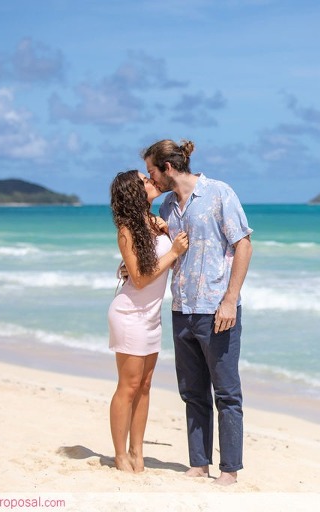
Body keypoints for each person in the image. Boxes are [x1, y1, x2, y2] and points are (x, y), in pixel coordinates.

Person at [143, 138, 253, 486]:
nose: (151, 180)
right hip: (181, 307)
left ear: (168, 169)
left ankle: (230, 470)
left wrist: (230, 299)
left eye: (151, 172)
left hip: (216, 308)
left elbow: (243, 245)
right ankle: (198, 463)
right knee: (192, 391)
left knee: (226, 392)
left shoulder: (219, 193)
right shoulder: (167, 209)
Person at [107, 170, 189, 473]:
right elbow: (140, 279)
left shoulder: (155, 223)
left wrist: (168, 236)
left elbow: (140, 267)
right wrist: (174, 252)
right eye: (144, 180)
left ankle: (137, 453)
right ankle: (119, 456)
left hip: (151, 316)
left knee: (144, 386)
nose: (151, 181)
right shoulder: (127, 229)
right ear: (133, 193)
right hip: (130, 314)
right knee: (127, 387)